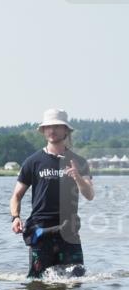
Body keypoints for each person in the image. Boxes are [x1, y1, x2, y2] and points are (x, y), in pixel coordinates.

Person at [10, 108, 94, 278]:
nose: (52, 130)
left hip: (68, 230)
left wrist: (77, 177)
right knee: (37, 282)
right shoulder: (32, 162)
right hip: (40, 230)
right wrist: (15, 217)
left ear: (66, 130)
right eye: (48, 127)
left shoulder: (79, 161)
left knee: (76, 280)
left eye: (56, 126)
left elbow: (90, 194)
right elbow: (16, 196)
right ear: (43, 131)